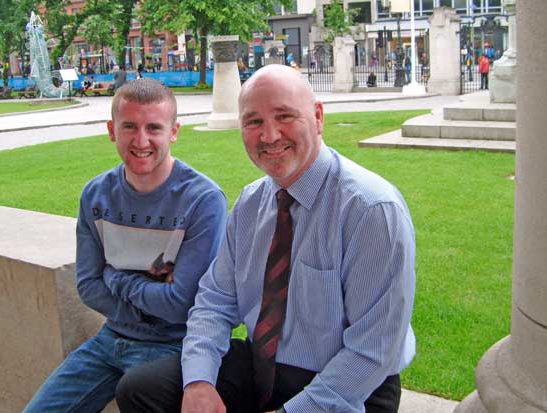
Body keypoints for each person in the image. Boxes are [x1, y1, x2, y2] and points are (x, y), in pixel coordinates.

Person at [116, 65, 416, 413]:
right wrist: (198, 382)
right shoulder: (251, 202)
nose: (269, 135)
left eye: (284, 116)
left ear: (318, 117)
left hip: (352, 384)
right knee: (140, 390)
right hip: (264, 365)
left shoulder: (371, 209)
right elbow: (214, 301)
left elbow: (373, 351)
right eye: (253, 121)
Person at [23, 78, 228, 413]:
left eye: (154, 128)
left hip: (173, 348)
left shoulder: (203, 201)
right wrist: (149, 300)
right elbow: (88, 285)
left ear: (174, 131)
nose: (141, 140)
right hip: (108, 341)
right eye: (129, 126)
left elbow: (181, 305)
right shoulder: (96, 195)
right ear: (111, 129)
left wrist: (116, 279)